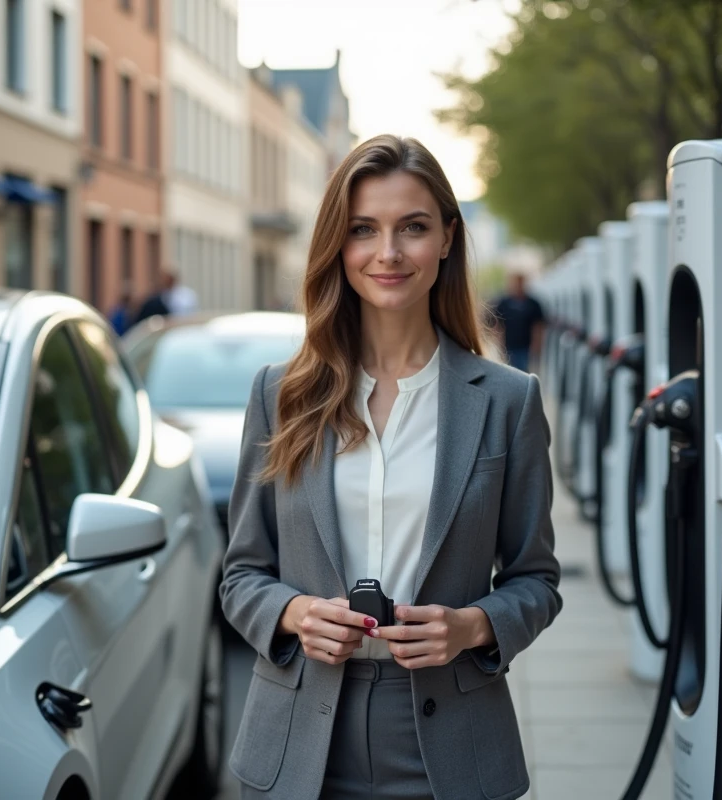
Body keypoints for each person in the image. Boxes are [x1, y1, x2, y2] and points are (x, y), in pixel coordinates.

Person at [220, 134, 562, 800]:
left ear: (447, 240)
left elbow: (536, 580)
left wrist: (472, 625)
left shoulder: (508, 402)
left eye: (412, 228)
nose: (388, 252)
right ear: (337, 246)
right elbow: (240, 575)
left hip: (450, 741)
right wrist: (294, 613)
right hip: (300, 739)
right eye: (363, 230)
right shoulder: (277, 394)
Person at [490, 271, 545, 373]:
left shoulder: (533, 303)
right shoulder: (504, 303)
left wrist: (537, 344)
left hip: (525, 346)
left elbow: (538, 326)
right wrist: (498, 344)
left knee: (522, 372)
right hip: (508, 346)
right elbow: (498, 324)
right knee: (508, 371)